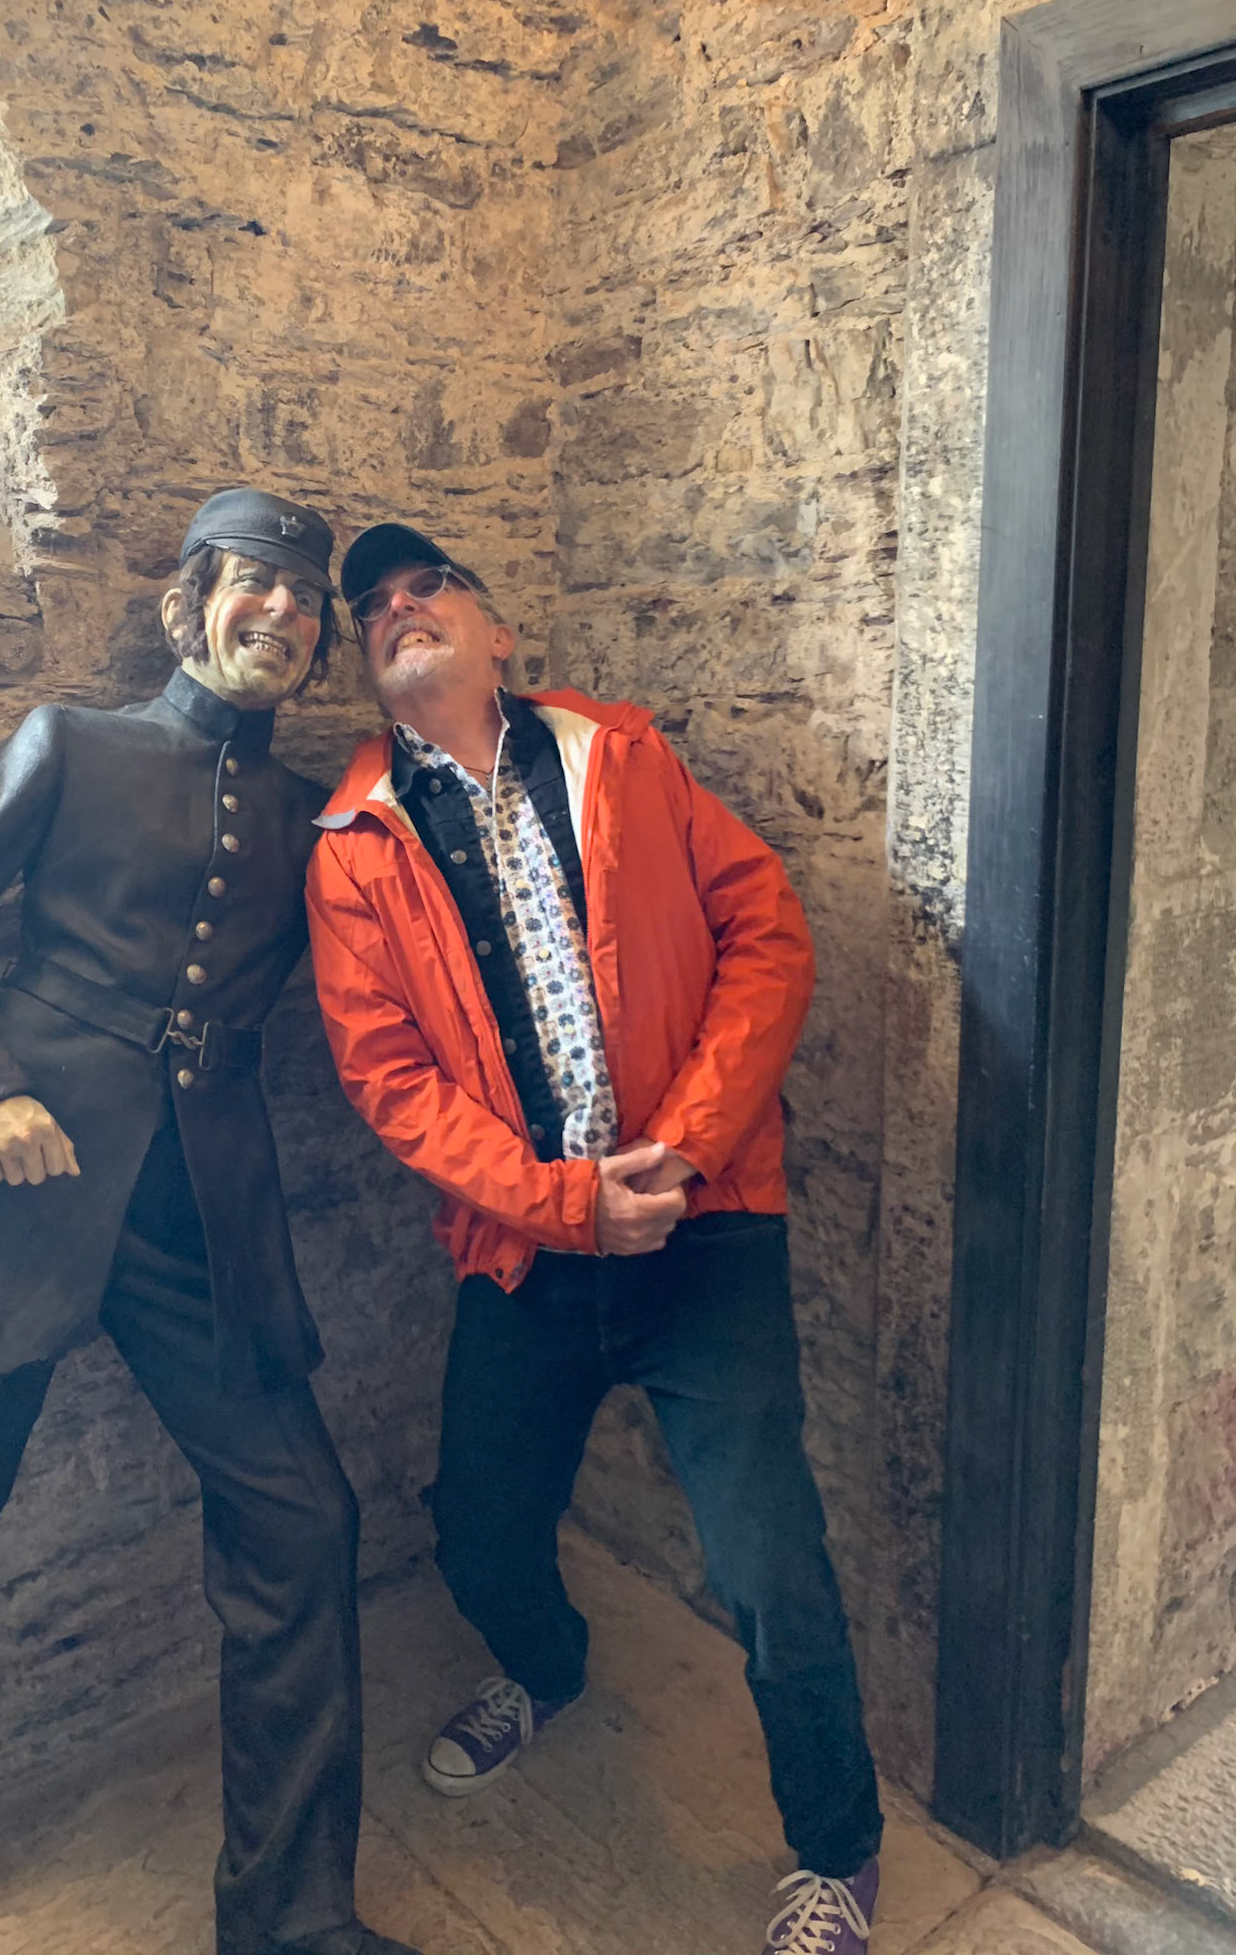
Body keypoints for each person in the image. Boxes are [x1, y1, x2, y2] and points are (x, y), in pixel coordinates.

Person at [0, 489, 420, 1955]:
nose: (282, 614)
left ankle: (289, 1914)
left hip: (201, 1217)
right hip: (8, 1189)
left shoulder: (317, 817)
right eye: (255, 586)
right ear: (191, 605)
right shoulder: (70, 743)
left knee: (306, 1522)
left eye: (306, 603)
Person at [305, 523, 884, 1955]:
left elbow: (766, 932)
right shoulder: (353, 846)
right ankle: (548, 1670)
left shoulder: (620, 757)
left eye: (427, 588)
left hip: (706, 1229)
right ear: (367, 665)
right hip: (525, 1251)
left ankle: (837, 1848)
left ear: (497, 632)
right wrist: (567, 1205)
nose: (399, 610)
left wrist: (684, 1148)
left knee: (768, 1563)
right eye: (373, 608)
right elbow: (390, 1080)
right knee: (479, 1528)